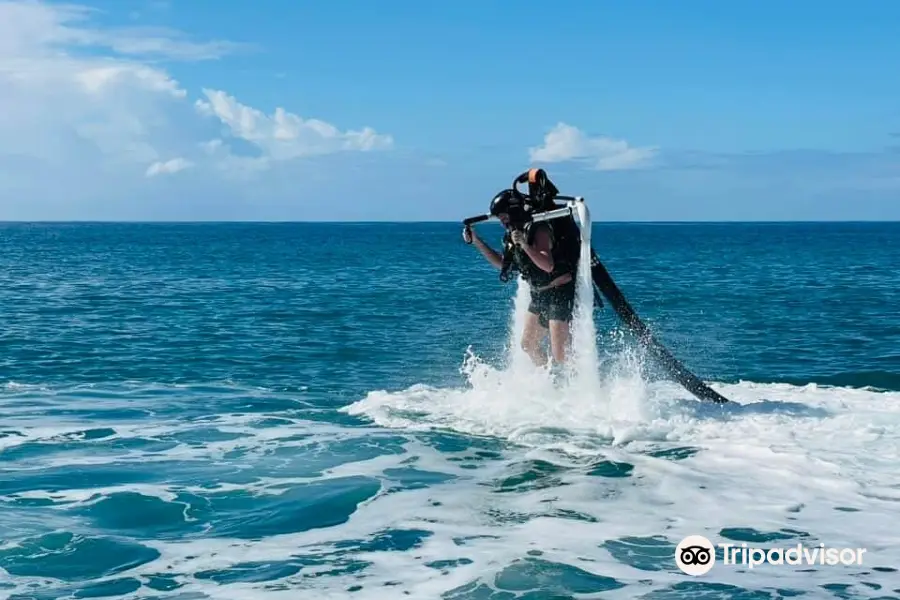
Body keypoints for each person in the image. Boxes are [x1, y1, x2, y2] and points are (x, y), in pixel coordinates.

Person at [463, 188, 581, 367]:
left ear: (513, 212)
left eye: (504, 217)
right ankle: (551, 383)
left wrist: (525, 245)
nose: (502, 222)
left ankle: (583, 386)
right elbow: (502, 264)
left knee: (562, 356)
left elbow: (548, 265)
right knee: (528, 345)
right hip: (539, 295)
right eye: (500, 218)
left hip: (559, 293)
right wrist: (477, 242)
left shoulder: (539, 229)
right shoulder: (511, 236)